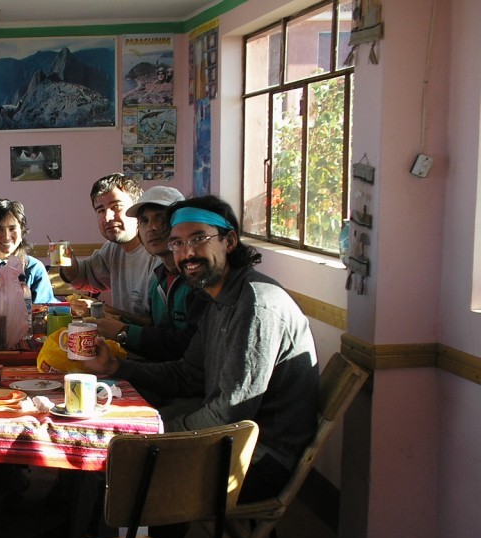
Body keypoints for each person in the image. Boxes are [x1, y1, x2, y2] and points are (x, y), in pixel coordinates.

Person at [81, 194, 319, 502]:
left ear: (229, 241)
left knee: (126, 469)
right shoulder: (215, 297)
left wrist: (155, 431)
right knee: (114, 446)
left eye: (198, 239)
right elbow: (189, 373)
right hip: (228, 440)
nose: (186, 253)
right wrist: (117, 368)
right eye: (177, 243)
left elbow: (229, 414)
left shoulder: (256, 305)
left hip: (257, 459)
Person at [86, 185, 207, 362]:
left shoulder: (201, 279)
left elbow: (190, 345)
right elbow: (156, 327)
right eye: (144, 221)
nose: (152, 227)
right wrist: (115, 318)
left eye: (161, 217)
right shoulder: (159, 276)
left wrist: (122, 331)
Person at [59, 173, 155, 317]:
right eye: (101, 210)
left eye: (116, 206)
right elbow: (82, 277)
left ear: (137, 209)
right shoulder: (112, 249)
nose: (107, 217)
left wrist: (99, 311)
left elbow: (158, 329)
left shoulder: (157, 254)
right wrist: (67, 259)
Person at [0, 199, 54, 304]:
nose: (6, 237)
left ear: (22, 232)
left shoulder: (34, 268)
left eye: (12, 229)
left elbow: (44, 312)